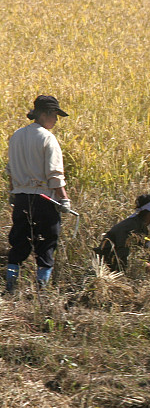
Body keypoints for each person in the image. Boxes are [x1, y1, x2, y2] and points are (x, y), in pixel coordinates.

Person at [5, 95, 73, 292]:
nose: (56, 120)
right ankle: (42, 292)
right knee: (46, 245)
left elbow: (10, 170)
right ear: (45, 114)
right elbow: (55, 175)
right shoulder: (47, 138)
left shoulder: (16, 135)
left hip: (21, 199)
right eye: (55, 115)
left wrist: (13, 192)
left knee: (18, 243)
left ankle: (10, 287)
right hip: (44, 200)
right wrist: (64, 199)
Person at [94, 194, 150, 271]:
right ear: (149, 213)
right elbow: (124, 257)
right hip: (109, 266)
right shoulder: (129, 227)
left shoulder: (143, 225)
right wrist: (147, 267)